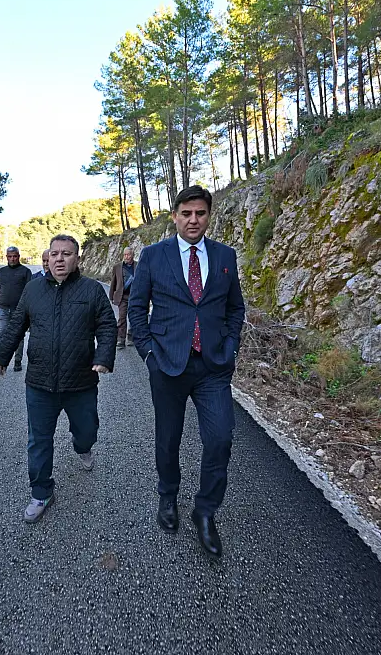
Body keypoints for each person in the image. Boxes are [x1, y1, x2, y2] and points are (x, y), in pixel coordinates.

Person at [128, 186, 245, 557]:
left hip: (213, 367)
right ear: (175, 216)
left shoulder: (225, 256)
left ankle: (205, 511)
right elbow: (136, 308)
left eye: (200, 213)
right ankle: (168, 496)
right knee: (168, 439)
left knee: (220, 439)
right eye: (186, 213)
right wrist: (148, 353)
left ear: (209, 216)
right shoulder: (153, 255)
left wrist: (231, 346)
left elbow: (235, 308)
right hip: (167, 364)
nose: (193, 220)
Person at [0, 234, 117, 523]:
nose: (59, 259)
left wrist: (103, 357)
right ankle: (41, 492)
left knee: (87, 431)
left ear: (77, 259)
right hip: (40, 383)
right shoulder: (33, 289)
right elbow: (16, 325)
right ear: (47, 258)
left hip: (81, 382)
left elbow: (107, 326)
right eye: (55, 253)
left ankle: (82, 446)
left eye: (67, 254)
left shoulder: (92, 290)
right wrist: (1, 357)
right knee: (39, 440)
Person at [0, 246, 32, 372]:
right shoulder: (2, 271)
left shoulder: (25, 272)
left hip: (19, 310)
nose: (12, 259)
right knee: (0, 335)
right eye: (10, 256)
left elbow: (30, 291)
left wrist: (28, 309)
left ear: (18, 257)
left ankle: (17, 361)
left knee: (18, 335)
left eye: (15, 256)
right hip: (3, 308)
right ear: (6, 257)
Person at [109, 247, 138, 348]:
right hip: (122, 297)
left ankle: (131, 337)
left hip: (134, 297)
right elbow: (113, 282)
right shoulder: (117, 267)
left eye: (128, 254)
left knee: (133, 317)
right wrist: (111, 296)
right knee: (121, 318)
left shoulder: (138, 266)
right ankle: (121, 339)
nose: (126, 257)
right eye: (125, 255)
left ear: (132, 255)